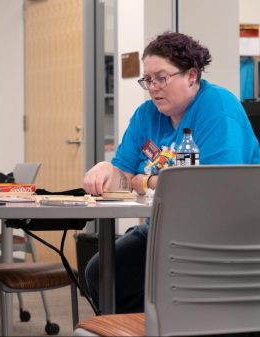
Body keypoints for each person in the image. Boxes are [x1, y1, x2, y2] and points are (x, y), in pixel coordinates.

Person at [82, 31, 260, 313]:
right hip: (164, 229)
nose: (153, 88)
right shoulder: (146, 115)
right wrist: (108, 169)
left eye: (161, 78)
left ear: (191, 76)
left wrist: (148, 180)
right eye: (148, 80)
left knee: (171, 284)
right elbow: (125, 177)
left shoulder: (217, 107)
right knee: (104, 270)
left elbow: (217, 185)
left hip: (221, 233)